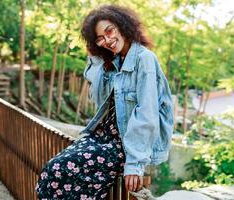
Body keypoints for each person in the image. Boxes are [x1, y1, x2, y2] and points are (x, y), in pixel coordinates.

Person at [35, 5, 174, 200]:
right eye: (99, 38)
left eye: (109, 31)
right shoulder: (114, 61)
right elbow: (96, 94)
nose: (107, 40)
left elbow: (147, 113)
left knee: (57, 171)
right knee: (50, 172)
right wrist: (96, 55)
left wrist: (134, 164)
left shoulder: (145, 59)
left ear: (123, 26)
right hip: (104, 135)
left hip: (126, 142)